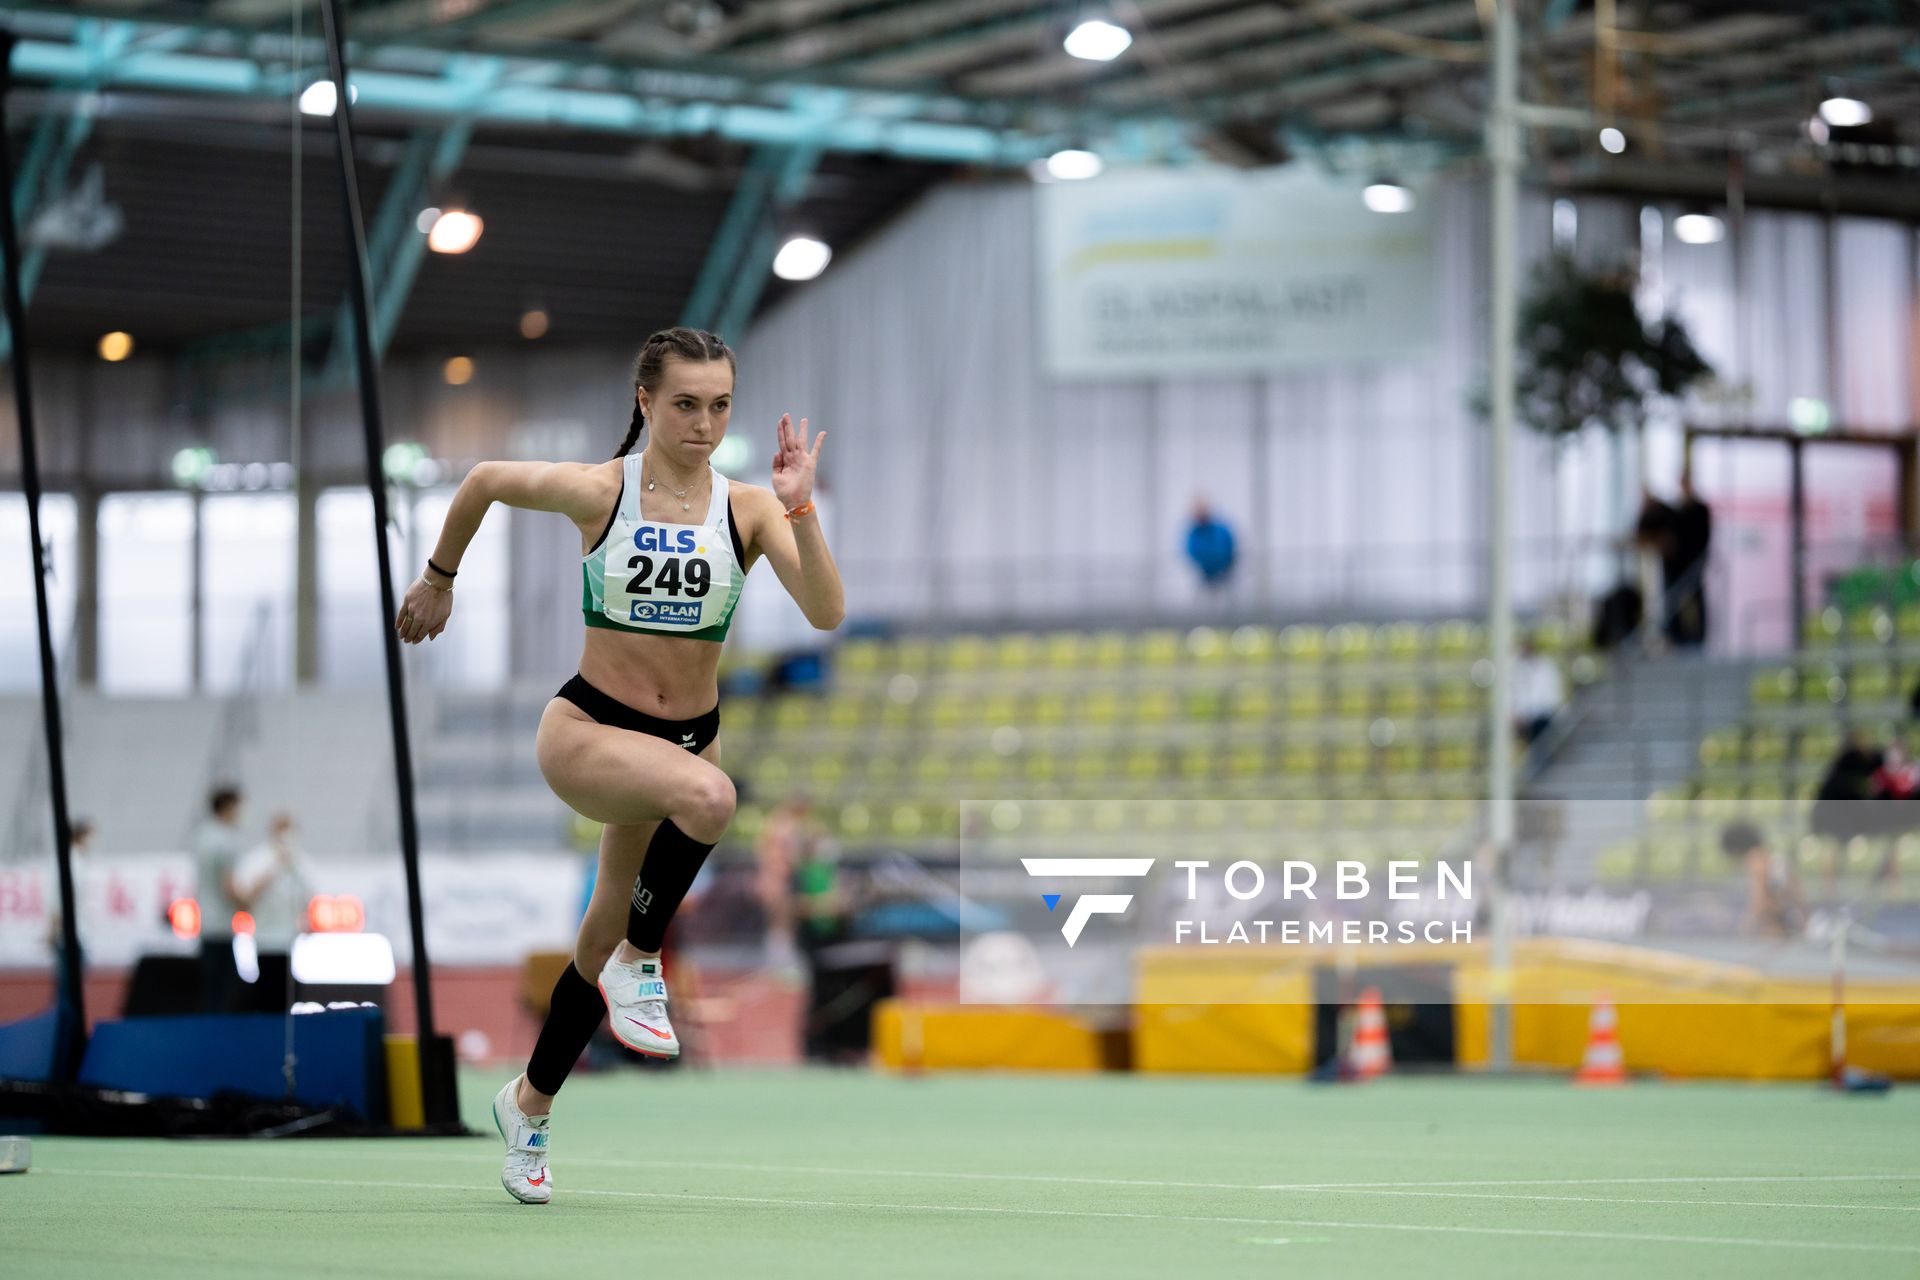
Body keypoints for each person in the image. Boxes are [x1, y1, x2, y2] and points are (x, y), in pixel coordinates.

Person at [395, 326, 843, 1205]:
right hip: (591, 732)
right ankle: (644, 959)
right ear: (645, 401)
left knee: (595, 932)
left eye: (719, 406)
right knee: (712, 798)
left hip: (686, 735)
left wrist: (799, 506)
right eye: (684, 404)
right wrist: (439, 576)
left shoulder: (748, 508)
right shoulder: (604, 489)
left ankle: (528, 1106)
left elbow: (826, 611)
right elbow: (484, 480)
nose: (703, 424)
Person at [190, 785, 249, 1012]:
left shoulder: (202, 836)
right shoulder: (225, 840)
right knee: (225, 990)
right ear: (228, 807)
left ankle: (207, 1031)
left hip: (206, 920)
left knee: (210, 986)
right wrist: (247, 904)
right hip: (221, 923)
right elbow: (228, 884)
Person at [1719, 821, 1803, 938]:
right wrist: (1804, 918)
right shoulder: (1774, 858)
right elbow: (1797, 894)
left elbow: (1760, 898)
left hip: (1771, 923)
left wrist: (1747, 926)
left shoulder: (1755, 860)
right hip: (1784, 920)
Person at [1669, 475, 1712, 647]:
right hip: (1677, 564)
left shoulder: (1700, 509)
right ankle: (1677, 637)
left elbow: (1705, 536)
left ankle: (1699, 638)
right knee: (1675, 601)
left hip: (1694, 562)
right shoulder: (1677, 511)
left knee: (1696, 599)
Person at [1511, 637, 1565, 745]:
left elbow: (1552, 689)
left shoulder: (1545, 665)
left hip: (1544, 712)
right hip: (1528, 716)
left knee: (1543, 744)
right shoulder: (1517, 667)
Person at [1184, 500, 1237, 592]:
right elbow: (1190, 553)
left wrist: (1227, 567)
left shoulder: (1221, 530)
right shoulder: (1193, 534)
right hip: (1203, 577)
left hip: (1225, 575)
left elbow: (1230, 547)